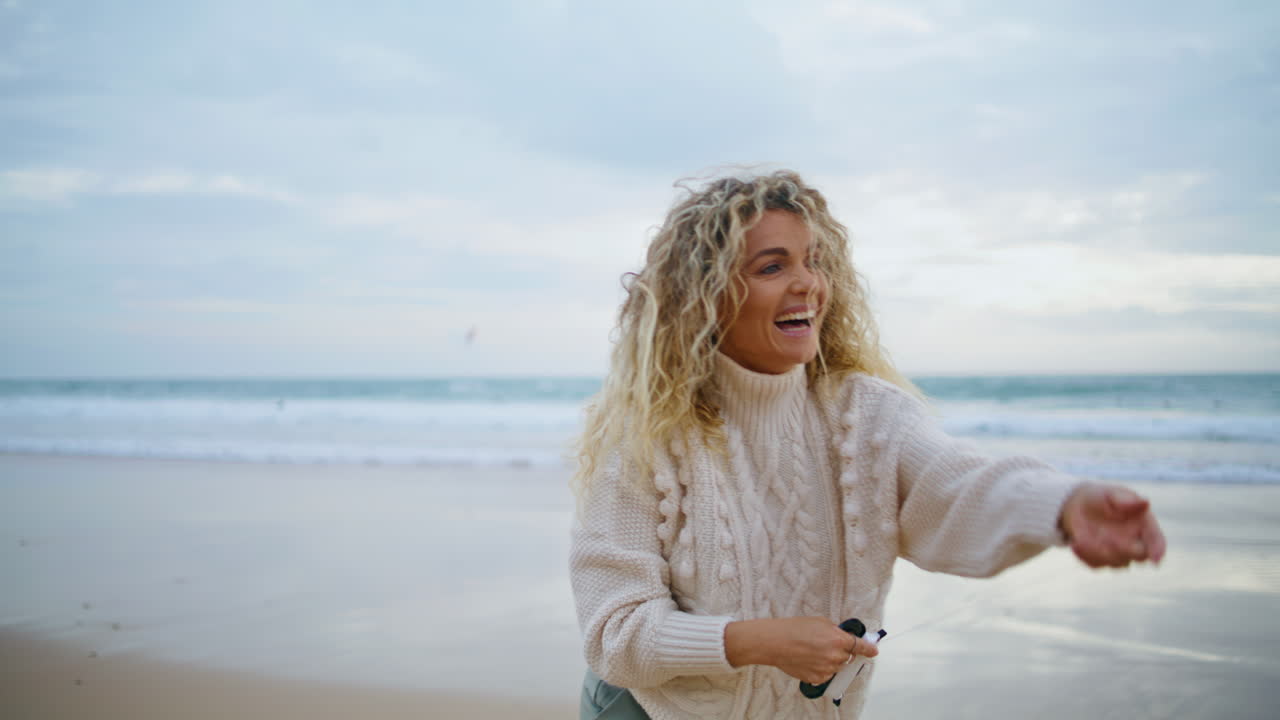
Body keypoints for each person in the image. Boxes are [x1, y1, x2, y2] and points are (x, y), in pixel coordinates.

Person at [569, 170, 1166, 719]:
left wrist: (1063, 505)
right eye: (772, 267)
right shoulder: (646, 433)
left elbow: (961, 490)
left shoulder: (863, 415)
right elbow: (614, 634)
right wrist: (756, 641)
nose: (808, 284)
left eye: (815, 261)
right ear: (704, 297)